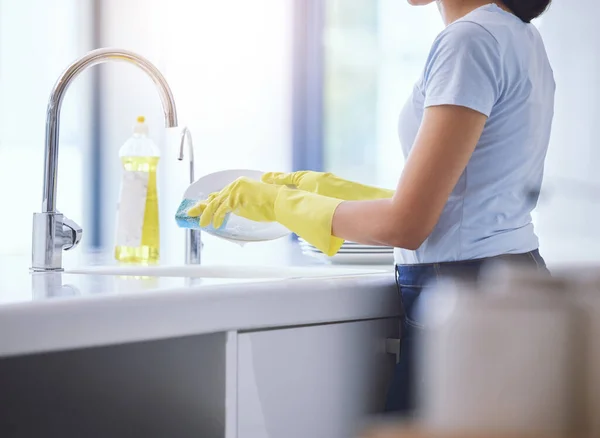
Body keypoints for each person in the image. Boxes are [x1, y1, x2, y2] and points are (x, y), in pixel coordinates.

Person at [188, 0, 555, 415]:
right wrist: (312, 187)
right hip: (509, 281)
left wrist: (279, 203)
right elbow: (454, 200)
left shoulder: (468, 41)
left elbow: (408, 223)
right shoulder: (518, 36)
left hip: (465, 296)